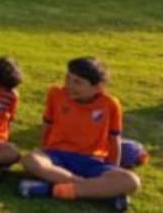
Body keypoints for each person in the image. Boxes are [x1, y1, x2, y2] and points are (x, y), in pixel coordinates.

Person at [18, 58, 140, 210]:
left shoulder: (110, 104)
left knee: (131, 181)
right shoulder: (56, 94)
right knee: (30, 160)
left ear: (98, 87)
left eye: (78, 82)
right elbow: (47, 126)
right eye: (68, 78)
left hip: (91, 161)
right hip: (56, 155)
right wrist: (43, 150)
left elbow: (114, 138)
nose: (69, 85)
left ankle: (53, 189)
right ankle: (95, 190)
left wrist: (113, 169)